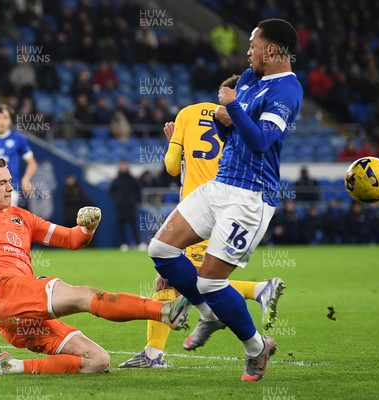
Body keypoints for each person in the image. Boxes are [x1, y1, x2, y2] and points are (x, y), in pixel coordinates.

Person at [0, 158, 190, 375]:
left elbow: (70, 239)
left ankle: (11, 367)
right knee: (83, 295)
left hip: (20, 317)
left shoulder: (21, 216)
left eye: (10, 181)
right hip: (7, 291)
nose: (10, 187)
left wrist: (86, 228)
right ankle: (164, 311)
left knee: (97, 360)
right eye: (2, 183)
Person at [146, 19, 303, 381]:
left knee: (210, 282)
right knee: (161, 250)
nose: (248, 51)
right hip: (220, 184)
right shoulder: (248, 79)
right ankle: (210, 313)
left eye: (254, 44)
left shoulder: (288, 91)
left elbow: (261, 141)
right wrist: (221, 118)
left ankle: (256, 348)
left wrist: (230, 109)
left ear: (273, 50)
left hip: (250, 196)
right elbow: (229, 132)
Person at [120, 76, 285, 369]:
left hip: (198, 210)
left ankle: (155, 353)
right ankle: (257, 292)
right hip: (228, 207)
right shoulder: (245, 121)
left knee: (190, 279)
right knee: (188, 278)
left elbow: (171, 167)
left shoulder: (188, 113)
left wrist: (174, 141)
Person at [108, 160, 146, 251]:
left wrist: (133, 199)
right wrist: (117, 199)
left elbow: (138, 191)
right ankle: (124, 244)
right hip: (120, 207)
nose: (124, 167)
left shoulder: (132, 179)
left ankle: (139, 243)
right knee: (121, 227)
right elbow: (111, 192)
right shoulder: (116, 180)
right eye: (122, 165)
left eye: (125, 165)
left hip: (130, 207)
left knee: (134, 226)